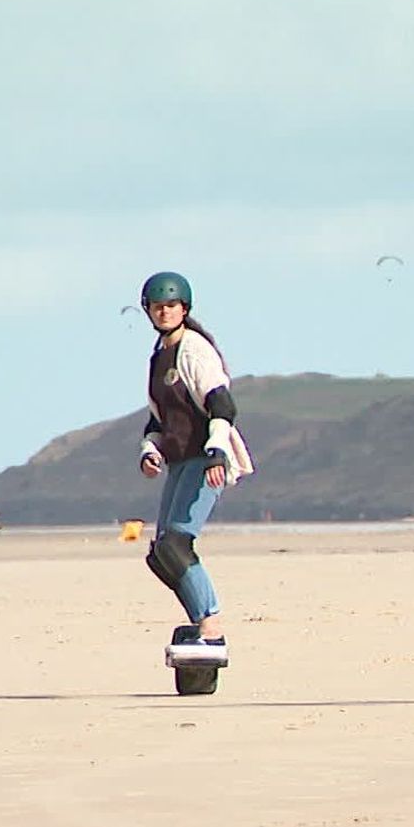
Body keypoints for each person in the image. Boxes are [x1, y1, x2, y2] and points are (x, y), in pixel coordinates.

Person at [137, 271, 253, 651]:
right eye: (158, 307)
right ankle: (199, 624)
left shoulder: (194, 349)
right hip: (179, 460)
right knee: (161, 554)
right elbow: (159, 420)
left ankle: (211, 628)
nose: (165, 312)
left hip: (207, 460)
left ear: (184, 308)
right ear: (148, 311)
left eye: (171, 305)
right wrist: (150, 452)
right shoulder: (158, 356)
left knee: (177, 545)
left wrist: (217, 450)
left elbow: (222, 403)